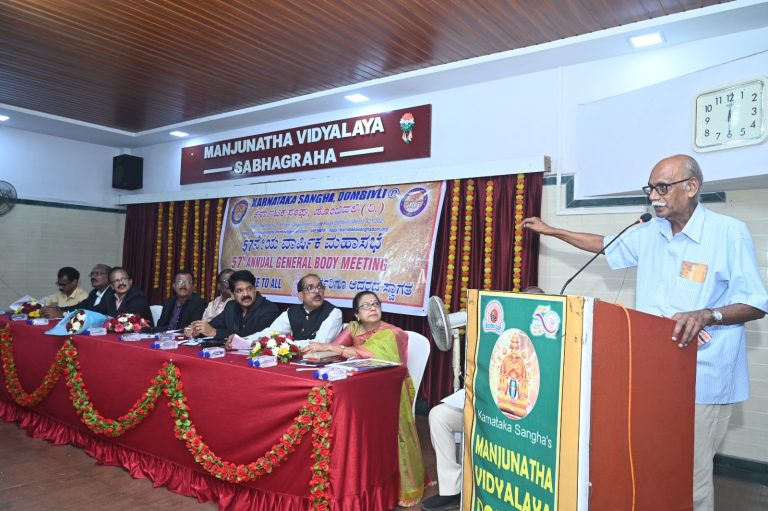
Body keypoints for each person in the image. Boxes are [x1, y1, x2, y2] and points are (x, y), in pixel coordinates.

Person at [521, 154, 768, 511]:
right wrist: (554, 230)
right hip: (653, 373)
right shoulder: (651, 232)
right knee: (656, 464)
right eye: (650, 188)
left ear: (691, 187)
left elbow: (756, 303)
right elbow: (605, 245)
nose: (653, 196)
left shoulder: (728, 233)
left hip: (704, 376)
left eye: (662, 188)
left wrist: (708, 314)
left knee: (691, 478)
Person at [421, 285, 545, 511]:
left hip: (517, 416)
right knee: (439, 415)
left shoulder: (548, 339)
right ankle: (452, 490)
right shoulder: (501, 328)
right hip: (485, 404)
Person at [303, 291, 426, 507]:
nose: (372, 308)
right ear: (357, 314)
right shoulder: (353, 328)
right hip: (360, 388)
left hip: (388, 392)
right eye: (366, 305)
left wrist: (333, 348)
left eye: (375, 304)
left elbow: (369, 355)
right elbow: (333, 351)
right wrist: (314, 351)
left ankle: (401, 485)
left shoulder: (392, 333)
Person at [230, 273, 342, 349]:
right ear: (301, 296)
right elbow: (271, 332)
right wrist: (244, 340)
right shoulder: (292, 312)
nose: (317, 291)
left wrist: (282, 343)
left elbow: (320, 343)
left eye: (320, 287)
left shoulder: (333, 313)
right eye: (310, 288)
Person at [187, 270, 280, 341]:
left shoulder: (269, 309)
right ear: (232, 294)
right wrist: (197, 330)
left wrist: (214, 332)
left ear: (255, 289)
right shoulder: (231, 306)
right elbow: (213, 325)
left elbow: (253, 336)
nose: (245, 294)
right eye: (239, 291)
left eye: (249, 289)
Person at [41, 264, 114, 317]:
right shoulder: (94, 293)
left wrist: (62, 314)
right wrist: (57, 309)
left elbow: (95, 314)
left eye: (98, 274)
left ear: (110, 276)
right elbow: (78, 307)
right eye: (92, 274)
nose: (93, 277)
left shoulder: (113, 293)